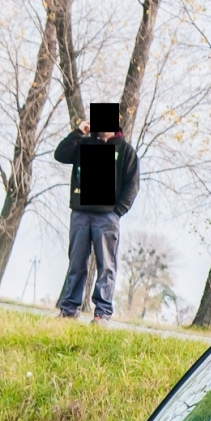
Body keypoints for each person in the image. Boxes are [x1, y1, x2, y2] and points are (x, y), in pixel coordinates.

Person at [53, 116, 140, 320]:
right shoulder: (83, 143)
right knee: (76, 264)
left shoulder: (125, 151)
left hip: (107, 217)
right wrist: (78, 131)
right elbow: (61, 154)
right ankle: (69, 311)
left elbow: (132, 184)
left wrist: (117, 211)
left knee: (106, 266)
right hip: (80, 213)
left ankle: (102, 313)